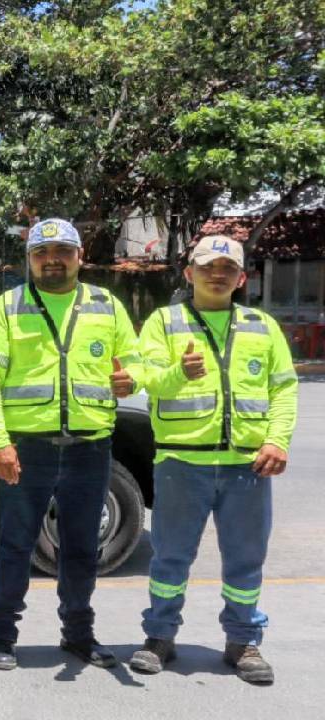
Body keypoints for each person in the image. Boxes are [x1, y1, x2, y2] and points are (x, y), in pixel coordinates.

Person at [128, 235, 296, 685]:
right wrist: (178, 372)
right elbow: (146, 381)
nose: (216, 274)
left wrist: (277, 440)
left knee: (245, 560)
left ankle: (243, 642)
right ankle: (160, 637)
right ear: (189, 273)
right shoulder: (164, 322)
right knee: (170, 558)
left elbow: (283, 389)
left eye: (227, 268)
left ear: (242, 278)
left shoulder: (262, 326)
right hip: (183, 462)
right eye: (207, 266)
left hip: (248, 465)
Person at [0, 218, 140, 670]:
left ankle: (79, 634)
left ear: (79, 256)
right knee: (15, 545)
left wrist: (133, 379)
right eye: (42, 253)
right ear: (30, 259)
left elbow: (137, 359)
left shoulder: (107, 306)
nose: (52, 260)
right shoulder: (8, 308)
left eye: (62, 251)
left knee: (84, 548)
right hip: (27, 449)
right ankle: (2, 636)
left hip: (90, 448)